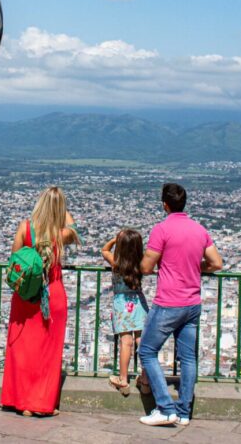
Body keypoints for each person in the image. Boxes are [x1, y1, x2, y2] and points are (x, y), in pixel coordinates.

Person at [137, 183, 223, 428]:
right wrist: (197, 267)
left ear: (165, 204)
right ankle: (184, 411)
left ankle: (165, 407)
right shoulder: (199, 230)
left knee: (147, 351)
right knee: (188, 358)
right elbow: (216, 263)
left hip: (168, 302)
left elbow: (145, 267)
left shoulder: (161, 230)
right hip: (192, 302)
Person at [0, 186, 79, 417]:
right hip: (51, 295)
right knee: (47, 353)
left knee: (24, 350)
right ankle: (40, 403)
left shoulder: (25, 228)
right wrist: (62, 211)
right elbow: (74, 229)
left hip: (26, 297)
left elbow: (15, 260)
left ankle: (21, 401)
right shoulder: (60, 233)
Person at [101, 228, 147, 395]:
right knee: (142, 341)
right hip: (139, 303)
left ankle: (123, 379)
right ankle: (146, 379)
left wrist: (115, 240)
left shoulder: (116, 263)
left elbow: (104, 250)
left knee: (125, 342)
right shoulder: (141, 265)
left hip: (121, 304)